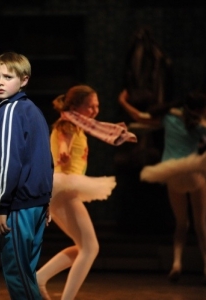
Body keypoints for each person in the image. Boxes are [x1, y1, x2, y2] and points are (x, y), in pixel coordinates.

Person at [37, 85, 137, 300]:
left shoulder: (78, 126)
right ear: (75, 107)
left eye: (97, 106)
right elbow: (64, 141)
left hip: (61, 191)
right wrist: (63, 151)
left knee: (84, 247)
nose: (94, 111)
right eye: (90, 107)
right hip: (63, 189)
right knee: (90, 248)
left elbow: (97, 129)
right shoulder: (67, 124)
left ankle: (38, 279)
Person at [119, 89, 206, 283]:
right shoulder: (200, 124)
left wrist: (122, 101)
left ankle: (176, 263)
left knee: (181, 223)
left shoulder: (169, 118)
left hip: (171, 173)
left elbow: (138, 116)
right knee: (201, 224)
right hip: (193, 172)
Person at [0, 52, 54, 299]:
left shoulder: (9, 110)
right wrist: (47, 198)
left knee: (18, 275)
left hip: (19, 206)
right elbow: (46, 159)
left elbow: (9, 161)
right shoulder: (33, 110)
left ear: (24, 80)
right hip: (37, 204)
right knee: (26, 272)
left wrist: (2, 207)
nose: (0, 82)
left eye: (8, 76)